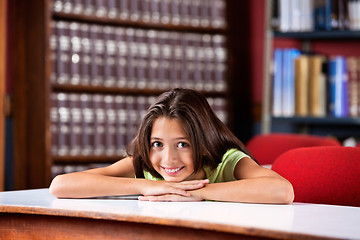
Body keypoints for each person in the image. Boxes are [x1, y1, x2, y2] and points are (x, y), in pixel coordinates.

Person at [50, 88, 294, 203]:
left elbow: (282, 191)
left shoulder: (226, 161)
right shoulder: (146, 166)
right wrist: (147, 186)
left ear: (204, 142)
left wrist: (194, 192)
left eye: (183, 144)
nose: (168, 159)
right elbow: (61, 185)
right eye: (157, 144)